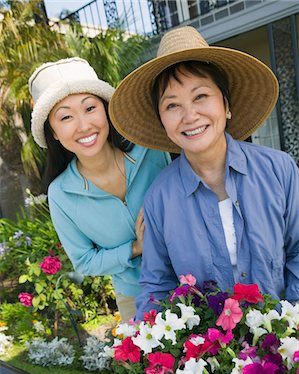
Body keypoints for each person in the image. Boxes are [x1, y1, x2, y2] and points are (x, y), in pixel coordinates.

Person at [109, 26, 299, 320]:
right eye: (172, 105)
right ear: (162, 121)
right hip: (208, 357)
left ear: (226, 104)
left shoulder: (280, 170)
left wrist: (288, 327)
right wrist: (141, 341)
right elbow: (157, 284)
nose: (190, 116)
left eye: (200, 96)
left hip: (282, 349)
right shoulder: (160, 197)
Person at [28, 57, 171, 322]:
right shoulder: (61, 194)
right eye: (66, 116)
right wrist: (136, 248)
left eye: (90, 108)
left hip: (193, 276)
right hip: (135, 297)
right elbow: (84, 260)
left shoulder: (151, 150)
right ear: (54, 132)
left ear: (106, 109)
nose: (84, 126)